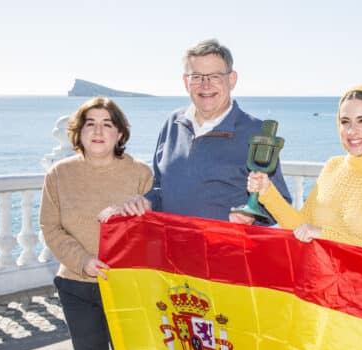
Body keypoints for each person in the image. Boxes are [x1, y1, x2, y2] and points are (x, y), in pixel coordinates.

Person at [248, 86, 362, 350]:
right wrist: (267, 193)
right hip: (318, 304)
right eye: (345, 122)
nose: (352, 131)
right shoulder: (332, 167)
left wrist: (325, 235)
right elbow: (301, 226)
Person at [117, 39, 290, 223]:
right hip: (172, 248)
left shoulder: (256, 132)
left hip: (228, 249)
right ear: (186, 81)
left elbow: (279, 205)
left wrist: (251, 218)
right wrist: (146, 201)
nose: (205, 85)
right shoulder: (173, 124)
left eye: (215, 76)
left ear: (232, 80)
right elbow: (160, 188)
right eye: (197, 76)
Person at [40, 97, 153, 350]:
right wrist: (84, 262)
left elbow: (155, 230)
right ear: (79, 132)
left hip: (129, 287)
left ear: (120, 132)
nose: (99, 132)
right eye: (90, 124)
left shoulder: (141, 173)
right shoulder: (59, 174)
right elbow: (50, 227)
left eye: (107, 124)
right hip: (77, 286)